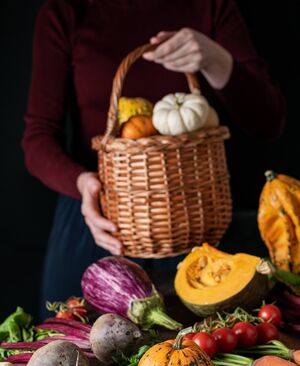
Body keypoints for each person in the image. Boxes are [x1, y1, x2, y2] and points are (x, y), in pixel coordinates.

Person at [22, 0, 286, 319]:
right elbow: (37, 139)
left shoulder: (211, 7)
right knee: (73, 358)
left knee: (197, 359)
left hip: (194, 225)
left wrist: (215, 59)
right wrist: (84, 184)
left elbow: (268, 122)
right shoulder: (66, 11)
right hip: (96, 220)